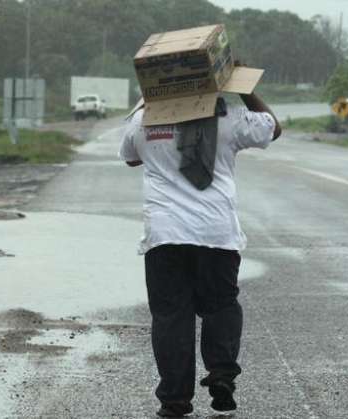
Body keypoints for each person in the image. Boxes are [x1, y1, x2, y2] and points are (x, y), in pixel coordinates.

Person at [119, 74, 282, 417]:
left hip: (165, 237)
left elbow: (131, 157)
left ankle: (175, 399)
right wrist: (246, 88)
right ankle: (222, 373)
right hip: (217, 234)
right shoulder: (230, 117)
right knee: (221, 305)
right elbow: (273, 128)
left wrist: (148, 97)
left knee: (171, 317)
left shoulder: (143, 120)